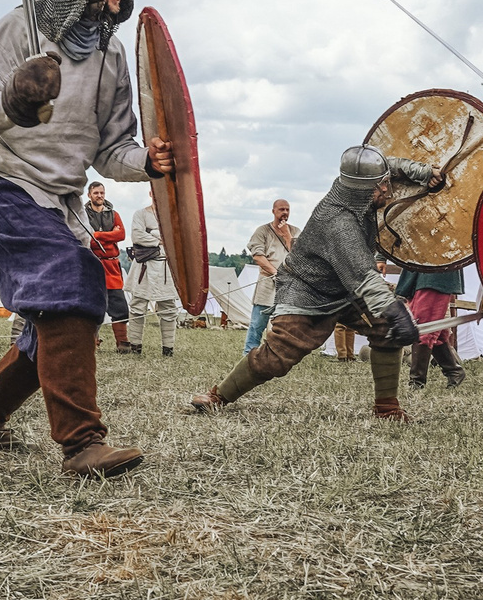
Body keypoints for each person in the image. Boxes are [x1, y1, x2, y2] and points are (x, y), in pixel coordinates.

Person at [0, 0, 173, 478]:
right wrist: (11, 102)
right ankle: (81, 444)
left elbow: (112, 149)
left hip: (60, 202)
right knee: (72, 279)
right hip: (5, 185)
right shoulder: (19, 29)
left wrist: (148, 162)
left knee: (57, 317)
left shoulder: (111, 56)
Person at [191, 147, 439, 420]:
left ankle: (387, 408)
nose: (386, 189)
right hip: (308, 289)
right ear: (365, 190)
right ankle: (218, 396)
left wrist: (425, 173)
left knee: (386, 329)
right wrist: (396, 311)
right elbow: (364, 276)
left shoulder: (354, 185)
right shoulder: (337, 220)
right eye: (382, 185)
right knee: (277, 356)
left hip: (346, 287)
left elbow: (390, 166)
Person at [395, 261, 466, 389]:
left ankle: (416, 382)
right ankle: (454, 371)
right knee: (434, 330)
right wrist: (381, 258)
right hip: (418, 270)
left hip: (437, 271)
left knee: (424, 329)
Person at [123, 202, 182, 356]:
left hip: (166, 266)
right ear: (151, 192)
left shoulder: (173, 216)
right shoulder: (140, 214)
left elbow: (178, 237)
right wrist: (160, 240)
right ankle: (135, 347)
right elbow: (137, 236)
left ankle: (168, 349)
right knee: (137, 306)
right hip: (144, 265)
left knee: (168, 307)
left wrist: (152, 233)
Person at [86, 182, 134, 354]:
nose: (99, 196)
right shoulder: (82, 215)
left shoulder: (114, 214)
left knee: (119, 305)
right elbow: (85, 238)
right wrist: (110, 235)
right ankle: (91, 341)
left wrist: (97, 235)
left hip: (111, 265)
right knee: (91, 304)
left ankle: (122, 341)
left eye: (102, 192)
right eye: (96, 193)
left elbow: (121, 235)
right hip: (91, 264)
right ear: (89, 195)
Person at [244, 198, 294, 352]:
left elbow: (299, 256)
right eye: (281, 209)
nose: (285, 213)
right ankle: (249, 354)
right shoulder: (262, 231)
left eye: (287, 209)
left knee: (284, 325)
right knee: (257, 323)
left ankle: (277, 354)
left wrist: (287, 236)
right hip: (267, 282)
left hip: (288, 285)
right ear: (273, 211)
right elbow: (258, 256)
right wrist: (275, 272)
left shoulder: (295, 231)